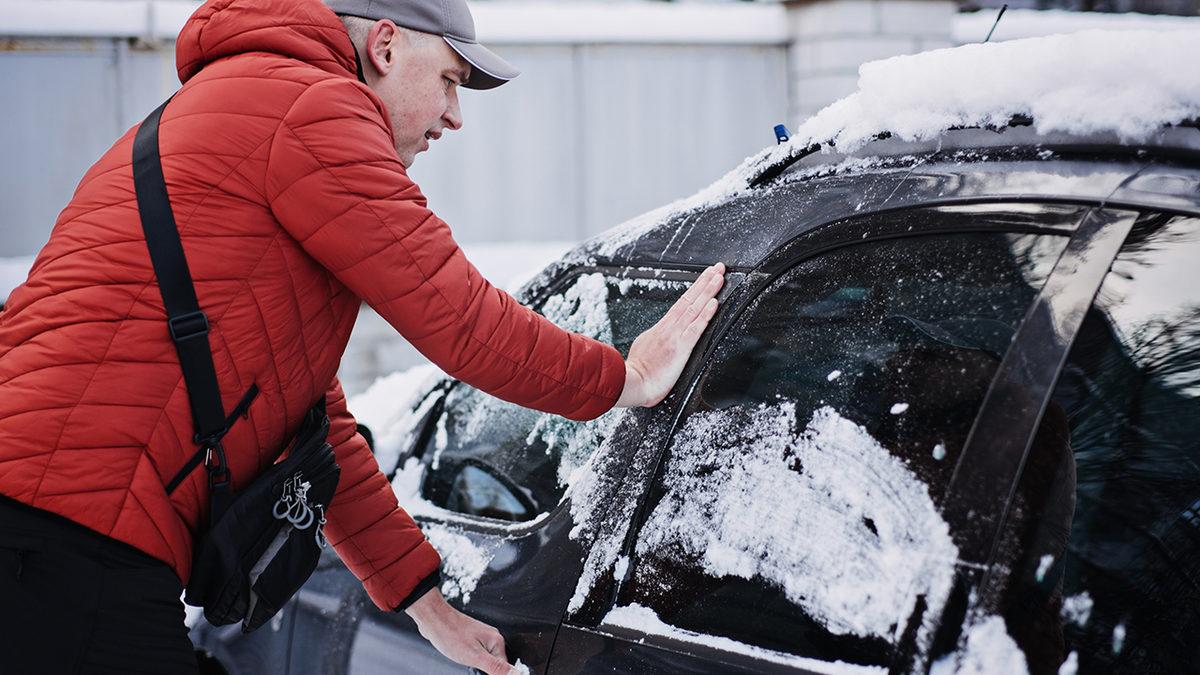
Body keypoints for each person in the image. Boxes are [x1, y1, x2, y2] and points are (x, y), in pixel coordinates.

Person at [0, 0, 725, 672]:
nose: (453, 115)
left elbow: (312, 428)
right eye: (448, 80)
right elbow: (460, 319)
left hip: (47, 530)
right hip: (67, 533)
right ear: (384, 45)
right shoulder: (314, 106)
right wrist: (625, 377)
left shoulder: (249, 104)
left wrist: (427, 606)